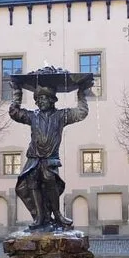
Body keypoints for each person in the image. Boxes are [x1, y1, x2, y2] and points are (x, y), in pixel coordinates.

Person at [9, 78, 93, 230]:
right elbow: (14, 113)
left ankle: (57, 214)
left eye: (43, 98)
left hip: (50, 159)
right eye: (38, 99)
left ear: (52, 100)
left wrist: (81, 92)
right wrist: (17, 92)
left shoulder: (61, 115)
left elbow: (81, 112)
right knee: (30, 183)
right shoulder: (33, 116)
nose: (40, 102)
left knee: (50, 181)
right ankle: (39, 216)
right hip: (34, 158)